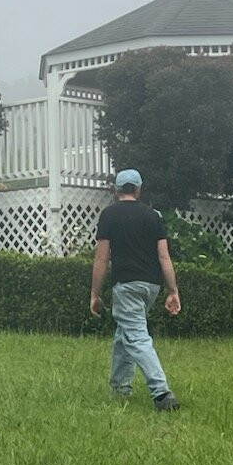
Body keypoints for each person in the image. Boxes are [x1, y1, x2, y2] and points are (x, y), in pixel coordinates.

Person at [90, 168, 181, 411]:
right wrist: (173, 290)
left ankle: (161, 393)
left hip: (126, 285)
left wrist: (95, 294)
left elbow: (101, 259)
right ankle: (120, 389)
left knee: (137, 336)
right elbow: (164, 257)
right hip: (150, 286)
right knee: (125, 334)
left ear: (116, 190)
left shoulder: (109, 215)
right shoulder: (153, 216)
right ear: (139, 189)